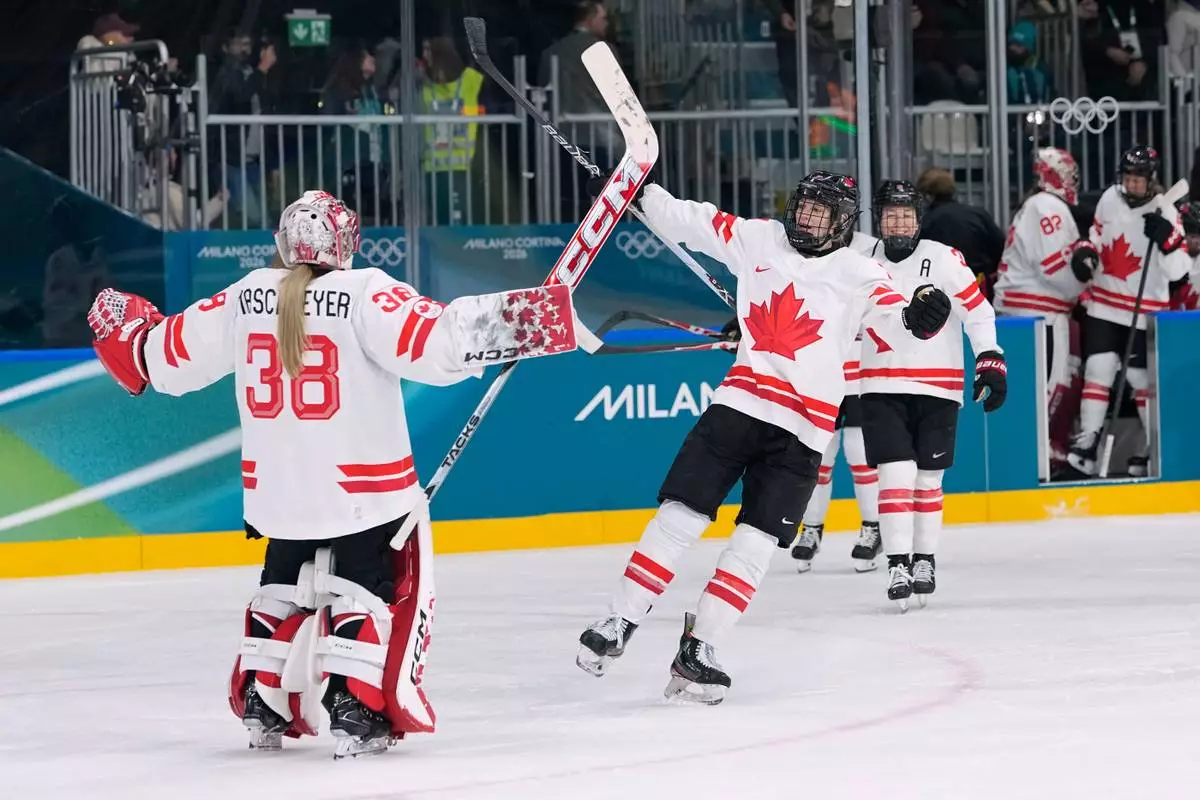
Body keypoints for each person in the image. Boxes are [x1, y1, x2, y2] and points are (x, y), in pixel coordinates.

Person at [85, 190, 579, 757]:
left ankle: (261, 702)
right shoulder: (366, 293)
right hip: (361, 493)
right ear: (346, 244)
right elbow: (441, 344)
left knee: (281, 586)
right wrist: (534, 319)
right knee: (363, 589)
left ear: (282, 241)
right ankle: (355, 705)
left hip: (276, 493)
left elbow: (160, 361)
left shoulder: (246, 295)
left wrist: (128, 333)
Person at [576, 171, 952, 703]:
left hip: (803, 433)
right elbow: (691, 220)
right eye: (804, 207)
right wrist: (640, 191)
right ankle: (619, 619)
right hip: (738, 408)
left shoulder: (861, 273)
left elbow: (896, 321)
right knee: (679, 515)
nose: (806, 218)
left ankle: (700, 647)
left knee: (755, 543)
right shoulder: (757, 239)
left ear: (842, 223)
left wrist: (922, 317)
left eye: (821, 213)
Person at [859, 180, 1007, 610]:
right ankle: (897, 564)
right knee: (896, 476)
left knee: (928, 480)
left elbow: (977, 311)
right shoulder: (860, 263)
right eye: (891, 215)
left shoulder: (942, 259)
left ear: (918, 220)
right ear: (880, 220)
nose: (899, 222)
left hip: (938, 387)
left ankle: (924, 559)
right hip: (880, 384)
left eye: (906, 215)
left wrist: (990, 358)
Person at [1068, 146, 1191, 477]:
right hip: (1104, 303)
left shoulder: (1166, 212)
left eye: (1138, 179)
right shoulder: (1109, 198)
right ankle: (1088, 441)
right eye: (1128, 178)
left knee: (1140, 380)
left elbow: (1180, 270)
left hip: (1145, 308)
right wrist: (1086, 254)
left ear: (1151, 180)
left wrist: (1167, 242)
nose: (1132, 184)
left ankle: (1154, 445)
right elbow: (1095, 236)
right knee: (1098, 369)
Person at [994, 148, 1096, 468]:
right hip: (1039, 314)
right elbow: (1054, 270)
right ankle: (1033, 459)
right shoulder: (1047, 206)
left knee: (1046, 387)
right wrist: (1084, 283)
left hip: (1037, 312)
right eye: (1065, 173)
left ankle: (1036, 455)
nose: (1070, 181)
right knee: (1046, 389)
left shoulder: (1042, 205)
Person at [790, 226, 883, 574]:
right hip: (822, 376)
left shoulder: (870, 251)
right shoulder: (804, 253)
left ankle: (873, 529)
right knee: (819, 457)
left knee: (860, 454)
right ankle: (811, 528)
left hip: (861, 374)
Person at [917, 167, 1007, 292]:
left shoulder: (925, 222)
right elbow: (1001, 249)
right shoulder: (978, 215)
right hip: (978, 286)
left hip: (939, 289)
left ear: (928, 196)